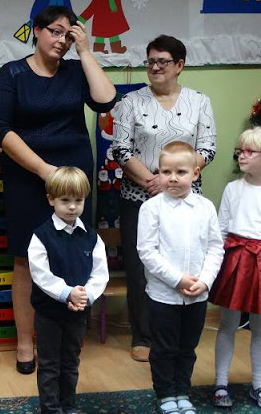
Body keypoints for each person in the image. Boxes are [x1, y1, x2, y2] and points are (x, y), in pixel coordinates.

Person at [0, 5, 116, 373]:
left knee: (74, 253)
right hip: (29, 176)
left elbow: (106, 101)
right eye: (55, 32)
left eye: (68, 35)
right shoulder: (12, 73)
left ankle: (66, 340)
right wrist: (45, 171)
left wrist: (86, 52)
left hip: (73, 179)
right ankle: (25, 343)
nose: (61, 40)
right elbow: (1, 130)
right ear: (37, 31)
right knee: (26, 259)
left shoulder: (75, 71)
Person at [111, 34, 217, 362]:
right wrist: (153, 181)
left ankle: (179, 335)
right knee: (141, 266)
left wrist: (172, 178)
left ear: (179, 65)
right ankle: (143, 336)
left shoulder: (199, 101)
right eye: (151, 61)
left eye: (163, 62)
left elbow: (207, 148)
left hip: (186, 199)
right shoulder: (131, 102)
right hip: (139, 197)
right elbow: (121, 149)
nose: (155, 67)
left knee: (182, 260)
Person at [137, 142, 224, 414]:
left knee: (187, 347)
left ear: (195, 173)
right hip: (163, 296)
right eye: (166, 172)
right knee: (163, 348)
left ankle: (182, 392)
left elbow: (215, 247)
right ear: (158, 172)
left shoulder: (205, 207)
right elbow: (147, 252)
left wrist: (204, 281)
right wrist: (178, 279)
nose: (172, 178)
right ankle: (165, 395)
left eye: (181, 172)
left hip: (197, 295)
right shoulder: (151, 208)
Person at [28, 166, 109, 414]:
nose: (72, 207)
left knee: (71, 361)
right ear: (51, 199)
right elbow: (41, 275)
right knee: (50, 364)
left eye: (78, 200)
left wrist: (86, 296)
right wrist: (67, 293)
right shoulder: (41, 236)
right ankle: (51, 409)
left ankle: (68, 406)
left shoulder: (92, 238)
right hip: (49, 314)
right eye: (65, 200)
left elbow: (100, 273)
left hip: (77, 313)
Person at [209, 126, 261, 408]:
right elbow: (221, 229)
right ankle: (220, 384)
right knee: (227, 324)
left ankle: (258, 385)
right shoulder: (233, 188)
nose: (242, 155)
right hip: (236, 259)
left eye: (250, 151)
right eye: (240, 150)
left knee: (259, 328)